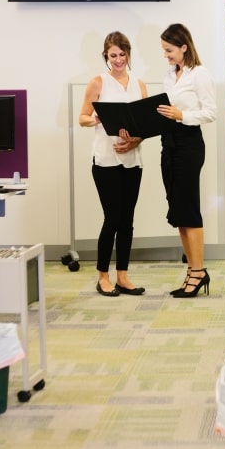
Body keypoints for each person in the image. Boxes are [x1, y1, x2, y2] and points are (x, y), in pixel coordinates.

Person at [78, 31, 147, 297]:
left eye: (122, 54)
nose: (118, 60)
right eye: (113, 56)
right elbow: (82, 118)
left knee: (127, 220)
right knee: (113, 218)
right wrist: (97, 119)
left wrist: (134, 141)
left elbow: (143, 126)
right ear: (106, 56)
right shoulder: (98, 82)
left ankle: (123, 276)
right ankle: (103, 276)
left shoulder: (139, 85)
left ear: (128, 54)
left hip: (132, 159)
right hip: (105, 160)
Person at [157, 23, 217, 298]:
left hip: (189, 144)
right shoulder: (170, 74)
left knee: (189, 208)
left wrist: (182, 115)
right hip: (168, 144)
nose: (166, 55)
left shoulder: (199, 74)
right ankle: (193, 270)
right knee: (178, 210)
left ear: (184, 47)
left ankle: (199, 271)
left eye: (169, 50)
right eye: (164, 50)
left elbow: (210, 112)